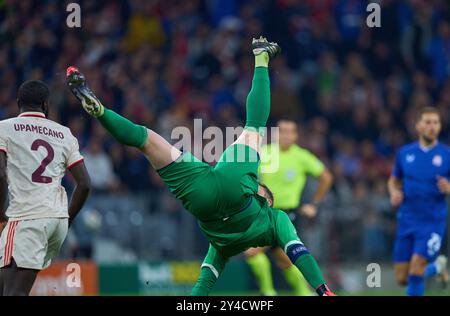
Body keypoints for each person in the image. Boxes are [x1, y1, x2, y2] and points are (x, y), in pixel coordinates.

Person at [67, 37, 335, 296]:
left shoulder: (269, 212)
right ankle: (100, 111)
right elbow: (295, 251)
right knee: (148, 143)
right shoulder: (241, 238)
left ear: (264, 196)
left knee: (249, 126)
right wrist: (323, 289)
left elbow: (211, 277)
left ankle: (261, 58)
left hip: (231, 186)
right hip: (203, 202)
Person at [0, 80, 91, 295]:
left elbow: (0, 172)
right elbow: (85, 183)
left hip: (26, 218)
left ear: (18, 102)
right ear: (46, 105)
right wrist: (66, 220)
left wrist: (1, 214)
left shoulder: (4, 128)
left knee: (14, 292)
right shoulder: (64, 133)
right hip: (56, 222)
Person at [245, 119, 333, 296]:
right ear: (276, 134)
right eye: (282, 131)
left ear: (295, 135)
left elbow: (326, 177)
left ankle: (270, 293)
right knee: (282, 260)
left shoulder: (302, 156)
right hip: (265, 213)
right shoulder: (265, 152)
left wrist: (314, 204)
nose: (285, 135)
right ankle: (297, 293)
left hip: (289, 214)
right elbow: (249, 174)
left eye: (289, 131)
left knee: (255, 253)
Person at [388, 107, 449, 296]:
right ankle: (438, 267)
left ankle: (432, 267)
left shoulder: (447, 154)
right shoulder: (405, 153)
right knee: (402, 277)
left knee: (416, 270)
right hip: (407, 218)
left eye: (436, 123)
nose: (432, 127)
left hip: (432, 220)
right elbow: (394, 179)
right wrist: (394, 192)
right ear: (418, 126)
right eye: (428, 122)